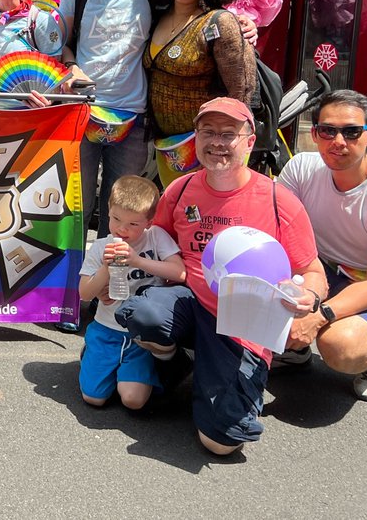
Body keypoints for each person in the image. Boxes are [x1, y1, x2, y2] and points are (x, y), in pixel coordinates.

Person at [115, 97, 325, 455]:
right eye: (208, 131)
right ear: (195, 138)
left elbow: (312, 270)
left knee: (221, 442)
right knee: (143, 314)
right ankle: (177, 359)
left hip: (244, 325)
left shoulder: (279, 200)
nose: (217, 142)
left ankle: (217, 378)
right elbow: (155, 244)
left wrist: (311, 298)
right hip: (189, 302)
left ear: (250, 139)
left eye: (229, 133)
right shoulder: (179, 191)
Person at [275, 90, 367, 402]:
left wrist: (318, 315)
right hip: (318, 269)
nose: (338, 141)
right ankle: (295, 351)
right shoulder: (301, 168)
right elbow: (275, 234)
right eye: (327, 130)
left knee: (340, 348)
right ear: (314, 134)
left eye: (352, 131)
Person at [59, 0, 151, 239]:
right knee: (76, 206)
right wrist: (72, 67)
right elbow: (62, 44)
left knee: (123, 213)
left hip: (132, 115)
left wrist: (242, 23)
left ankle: (111, 284)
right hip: (83, 111)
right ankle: (75, 286)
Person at [140, 0, 256, 186]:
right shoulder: (157, 14)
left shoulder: (220, 23)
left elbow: (241, 91)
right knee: (179, 213)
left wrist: (226, 145)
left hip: (210, 150)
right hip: (169, 147)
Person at [78, 175, 184, 410]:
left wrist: (137, 261)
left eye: (133, 224)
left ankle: (160, 365)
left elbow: (180, 272)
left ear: (149, 221)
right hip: (107, 328)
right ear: (108, 210)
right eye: (115, 219)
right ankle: (93, 354)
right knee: (94, 397)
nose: (122, 229)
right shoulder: (100, 246)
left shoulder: (155, 237)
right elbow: (84, 293)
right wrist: (106, 268)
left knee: (133, 400)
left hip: (140, 335)